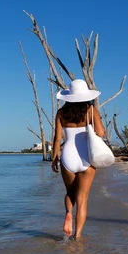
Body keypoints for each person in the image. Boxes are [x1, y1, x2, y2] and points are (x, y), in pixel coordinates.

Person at [51, 79, 106, 240]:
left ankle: (68, 213)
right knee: (82, 200)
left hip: (67, 156)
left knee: (70, 193)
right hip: (86, 157)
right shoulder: (90, 110)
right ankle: (77, 236)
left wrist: (54, 158)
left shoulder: (61, 113)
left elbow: (56, 139)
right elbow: (101, 133)